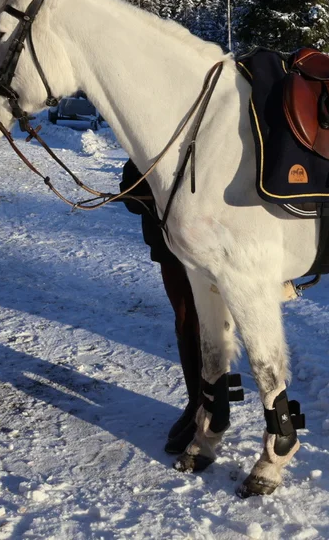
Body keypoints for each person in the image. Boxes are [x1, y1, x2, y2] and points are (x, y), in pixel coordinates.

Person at [120, 160, 201, 454]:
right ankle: (197, 402)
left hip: (204, 238)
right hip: (165, 241)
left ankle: (211, 406)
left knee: (206, 321)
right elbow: (132, 199)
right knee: (184, 318)